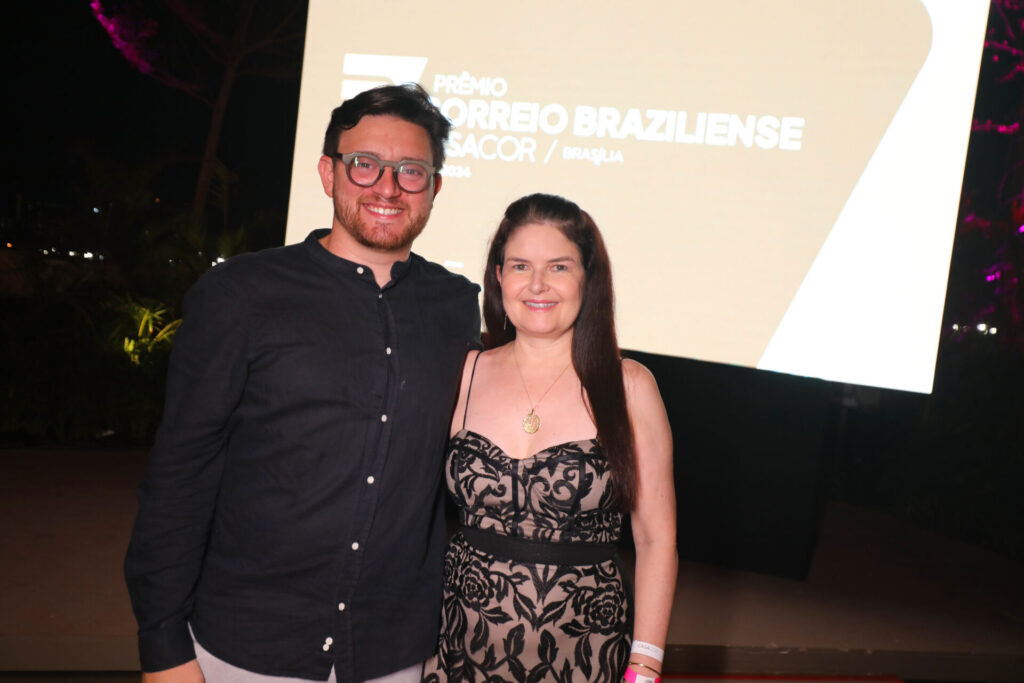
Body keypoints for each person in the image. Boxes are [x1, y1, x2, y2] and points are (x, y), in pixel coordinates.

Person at [124, 84, 481, 683]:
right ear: (327, 172)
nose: (387, 187)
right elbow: (180, 475)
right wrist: (163, 647)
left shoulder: (456, 306)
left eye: (411, 171)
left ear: (434, 187)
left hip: (394, 651)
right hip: (244, 647)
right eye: (364, 164)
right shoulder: (241, 294)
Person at [422, 194, 677, 682]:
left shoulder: (629, 387)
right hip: (458, 648)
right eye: (521, 266)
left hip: (584, 655)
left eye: (558, 267)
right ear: (499, 276)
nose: (537, 284)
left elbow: (655, 538)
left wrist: (645, 665)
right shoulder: (465, 372)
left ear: (588, 278)